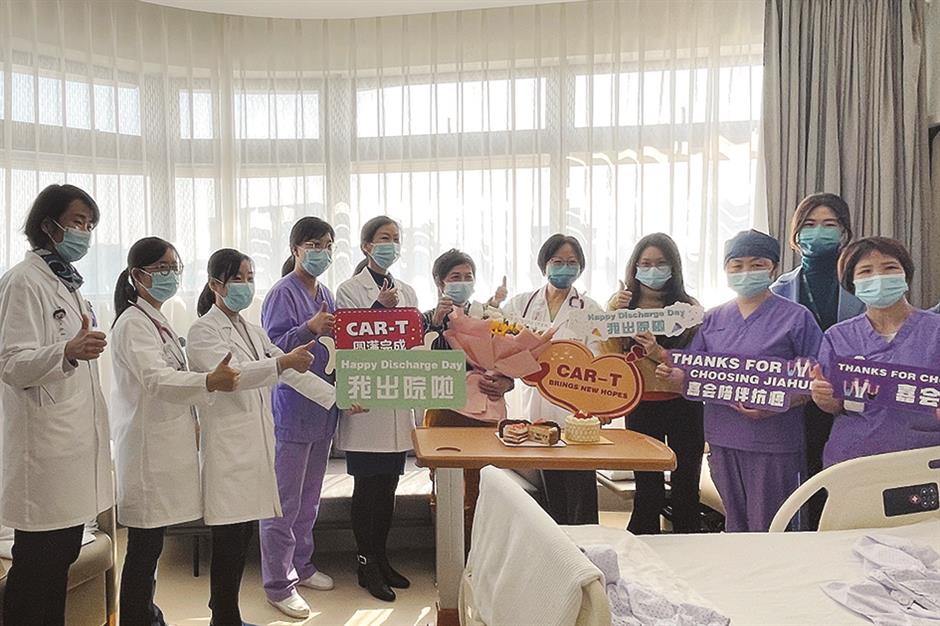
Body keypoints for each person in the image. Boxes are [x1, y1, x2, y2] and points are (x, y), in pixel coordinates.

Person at [187, 248, 339, 626]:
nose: (246, 285)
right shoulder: (203, 331)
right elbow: (233, 377)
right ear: (215, 284)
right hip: (229, 450)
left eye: (250, 277)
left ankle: (227, 617)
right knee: (228, 541)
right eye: (237, 278)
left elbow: (289, 372)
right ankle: (225, 616)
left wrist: (337, 398)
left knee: (240, 540)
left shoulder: (251, 330)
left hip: (256, 446)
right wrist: (283, 361)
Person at [111, 237, 241, 626]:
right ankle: (137, 618)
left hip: (164, 447)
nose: (170, 275)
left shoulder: (157, 320)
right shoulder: (132, 323)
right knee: (144, 548)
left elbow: (172, 376)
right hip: (147, 450)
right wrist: (209, 381)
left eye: (174, 268)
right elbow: (156, 379)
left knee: (149, 546)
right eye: (161, 268)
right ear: (138, 275)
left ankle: (146, 614)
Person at [656, 230, 822, 532]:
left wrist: (779, 403)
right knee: (736, 524)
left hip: (775, 441)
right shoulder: (712, 318)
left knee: (772, 527)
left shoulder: (796, 318)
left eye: (757, 264)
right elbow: (695, 372)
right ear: (726, 270)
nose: (746, 272)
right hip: (724, 438)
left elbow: (816, 378)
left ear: (773, 268)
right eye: (737, 265)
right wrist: (675, 376)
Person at [0, 184, 112, 626]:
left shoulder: (69, 284)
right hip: (42, 456)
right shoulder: (23, 282)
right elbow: (10, 363)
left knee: (58, 562)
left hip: (69, 452)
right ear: (47, 225)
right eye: (77, 221)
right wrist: (66, 351)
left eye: (90, 224)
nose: (85, 232)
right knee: (36, 571)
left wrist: (71, 351)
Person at [259, 217, 340, 619]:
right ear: (295, 249)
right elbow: (271, 349)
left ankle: (302, 565)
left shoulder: (326, 293)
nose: (321, 252)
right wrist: (308, 327)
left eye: (327, 245)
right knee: (284, 502)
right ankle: (278, 583)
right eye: (313, 244)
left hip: (324, 410)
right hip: (292, 409)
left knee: (310, 499)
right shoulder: (281, 293)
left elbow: (339, 345)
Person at [335, 216, 419, 602]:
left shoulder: (407, 291)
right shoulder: (349, 290)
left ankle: (381, 558)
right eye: (384, 238)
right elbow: (350, 339)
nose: (391, 244)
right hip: (365, 407)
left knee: (388, 488)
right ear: (366, 246)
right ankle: (365, 563)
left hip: (396, 404)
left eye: (396, 238)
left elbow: (413, 344)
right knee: (367, 488)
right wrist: (377, 308)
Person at [770, 192, 863, 528]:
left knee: (845, 479)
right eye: (809, 225)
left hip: (851, 403)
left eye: (829, 224)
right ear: (796, 234)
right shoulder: (779, 289)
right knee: (806, 481)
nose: (818, 232)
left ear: (844, 232)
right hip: (798, 403)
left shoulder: (864, 282)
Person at [601, 233, 704, 535]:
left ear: (674, 267)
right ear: (634, 268)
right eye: (645, 264)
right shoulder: (620, 305)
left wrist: (663, 356)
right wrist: (614, 312)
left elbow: (699, 359)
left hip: (684, 404)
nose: (653, 270)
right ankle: (643, 547)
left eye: (661, 263)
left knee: (686, 485)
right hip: (642, 405)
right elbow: (608, 354)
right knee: (648, 488)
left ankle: (689, 545)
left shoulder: (689, 307)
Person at [810, 237, 940, 467]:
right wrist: (824, 398)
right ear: (852, 283)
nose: (879, 277)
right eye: (866, 271)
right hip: (854, 459)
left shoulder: (934, 330)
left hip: (924, 457)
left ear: (905, 274)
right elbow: (836, 406)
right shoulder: (838, 337)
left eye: (890, 268)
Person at [503, 234, 603, 525]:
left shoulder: (590, 309)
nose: (564, 268)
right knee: (547, 487)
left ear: (581, 267)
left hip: (577, 410)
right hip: (535, 403)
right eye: (557, 261)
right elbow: (501, 347)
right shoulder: (520, 304)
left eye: (572, 262)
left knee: (580, 488)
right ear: (544, 265)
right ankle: (552, 547)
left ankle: (585, 545)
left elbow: (599, 359)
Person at [422, 249, 512, 548]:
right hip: (444, 410)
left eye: (467, 277)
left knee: (484, 482)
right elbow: (419, 364)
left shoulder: (489, 318)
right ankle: (447, 553)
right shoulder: (425, 318)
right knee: (445, 483)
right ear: (439, 282)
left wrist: (505, 382)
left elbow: (511, 360)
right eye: (455, 277)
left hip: (485, 410)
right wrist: (436, 324)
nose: (462, 282)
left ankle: (480, 552)